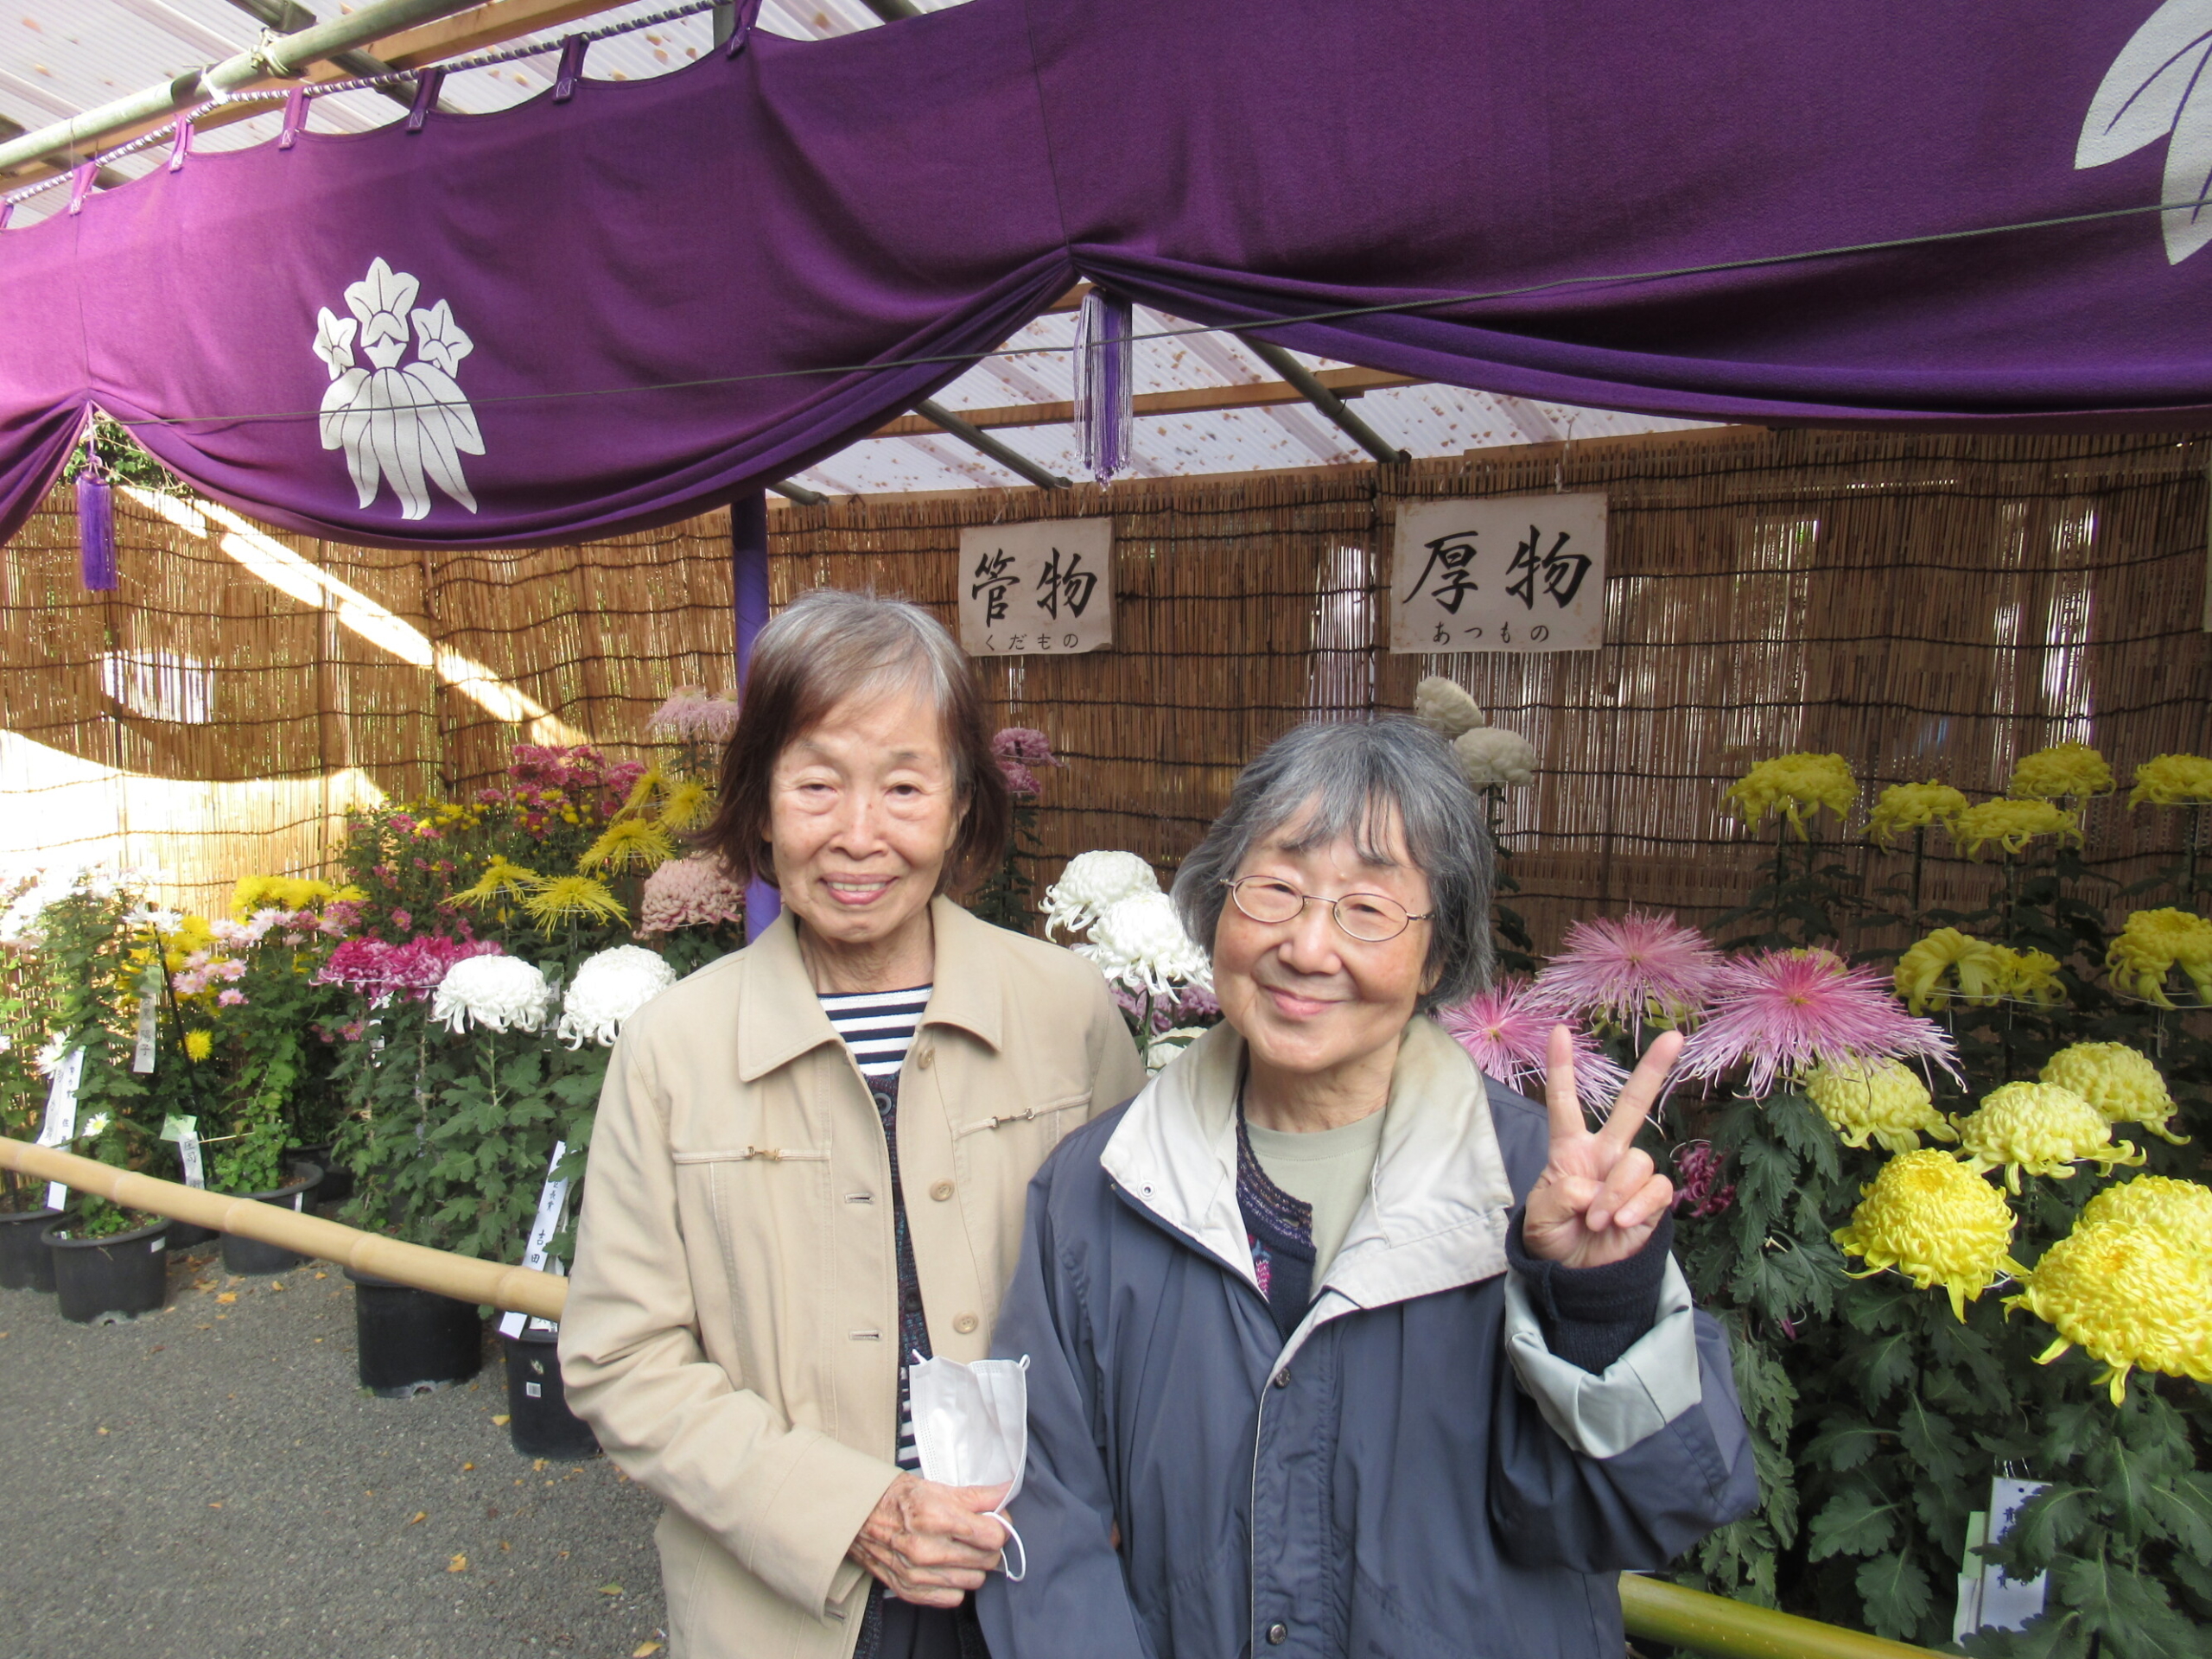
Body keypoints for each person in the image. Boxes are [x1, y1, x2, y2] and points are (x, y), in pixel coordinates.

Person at [978, 718, 1758, 1659]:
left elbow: (1661, 1506)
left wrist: (1600, 1303)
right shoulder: (1098, 1188)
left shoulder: (1529, 1187)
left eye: (1368, 908)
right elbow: (1042, 1525)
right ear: (1217, 905)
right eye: (1276, 889)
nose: (1309, 947)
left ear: (1438, 957)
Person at [561, 590, 1147, 1659]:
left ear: (962, 805)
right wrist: (853, 1512)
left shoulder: (1065, 1013)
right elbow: (620, 1356)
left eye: (906, 786)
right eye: (817, 784)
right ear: (759, 804)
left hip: (1043, 1581)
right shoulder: (673, 1050)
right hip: (790, 1609)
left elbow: (1140, 1301)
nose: (859, 835)